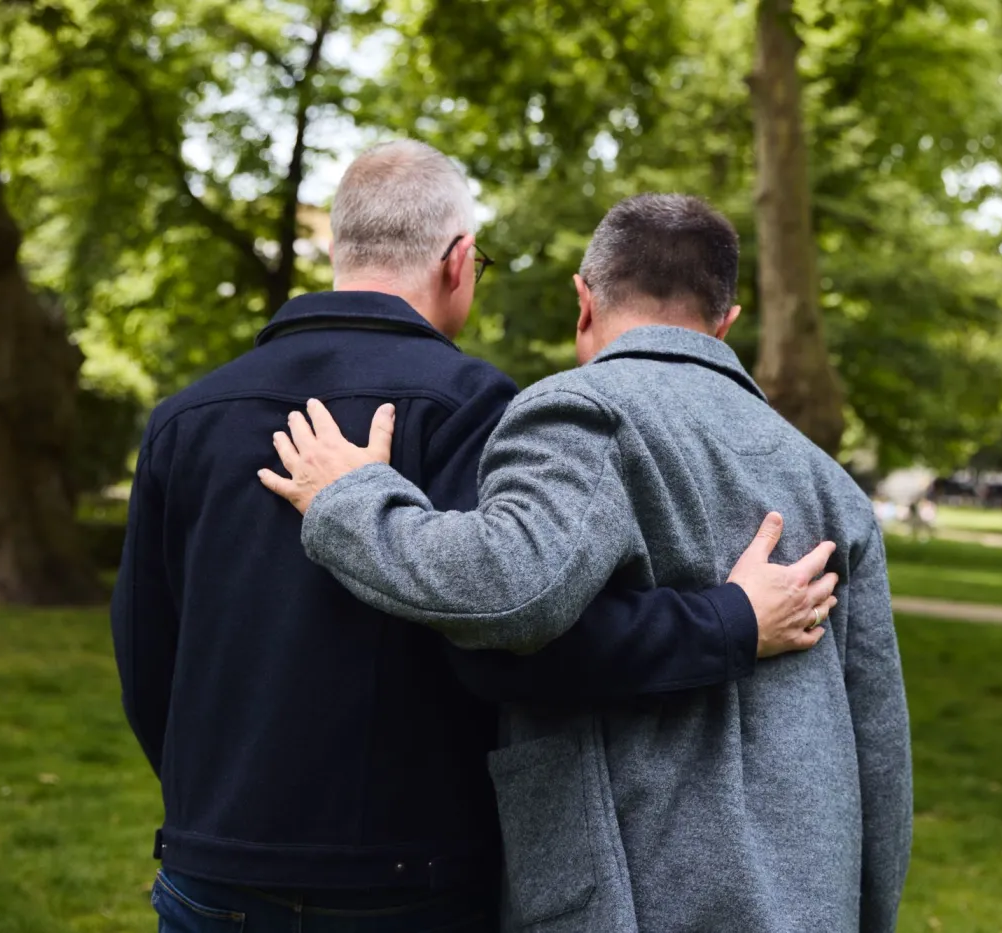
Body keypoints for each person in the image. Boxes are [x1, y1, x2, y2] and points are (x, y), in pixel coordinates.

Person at [111, 143, 839, 932]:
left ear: (338, 250)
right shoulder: (473, 405)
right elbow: (529, 638)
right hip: (409, 876)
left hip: (210, 866)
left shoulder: (186, 417)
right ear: (460, 261)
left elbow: (147, 652)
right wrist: (731, 619)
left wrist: (211, 807)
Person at [263, 194, 913, 933]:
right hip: (813, 904)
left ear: (584, 299)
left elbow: (505, 590)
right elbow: (882, 752)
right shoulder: (831, 484)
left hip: (635, 901)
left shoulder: (582, 411)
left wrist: (349, 501)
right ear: (726, 321)